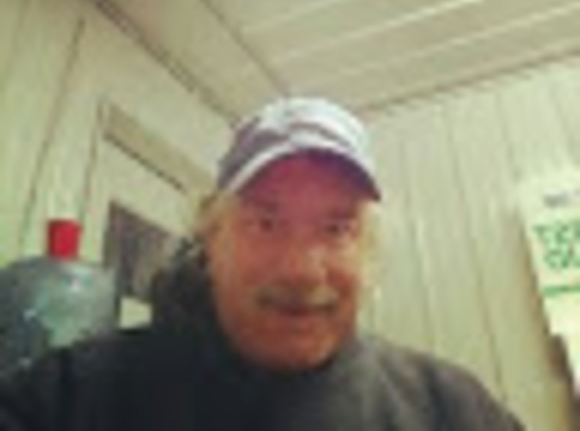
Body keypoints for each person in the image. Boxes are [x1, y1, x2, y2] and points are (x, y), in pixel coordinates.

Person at [0, 96, 524, 430]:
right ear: (211, 239)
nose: (301, 270)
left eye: (336, 228)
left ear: (368, 249)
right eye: (266, 223)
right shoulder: (69, 398)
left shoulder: (454, 410)